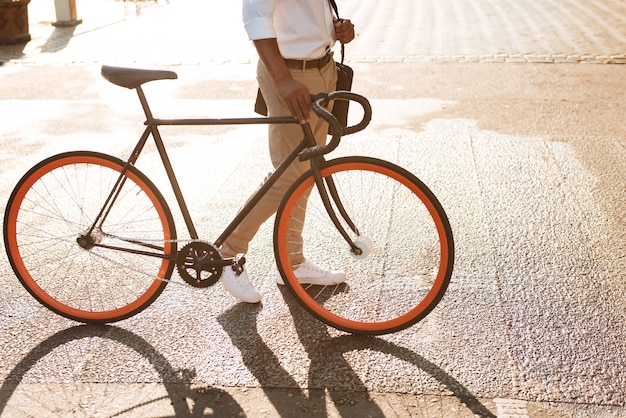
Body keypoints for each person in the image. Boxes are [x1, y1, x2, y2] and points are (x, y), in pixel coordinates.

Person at [219, 0, 356, 303]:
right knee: (288, 175)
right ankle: (227, 252)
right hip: (290, 75)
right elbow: (255, 14)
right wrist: (282, 79)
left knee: (305, 170)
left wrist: (336, 29)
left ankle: (292, 261)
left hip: (324, 68)